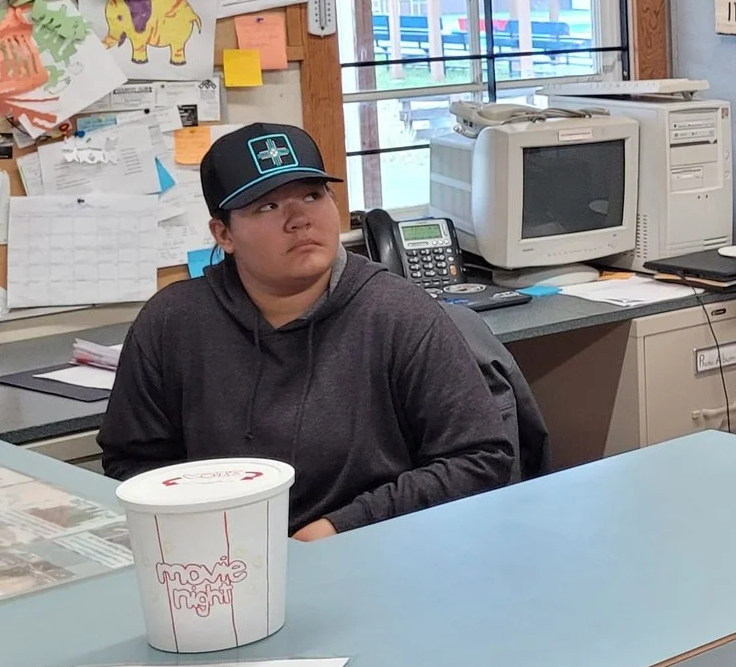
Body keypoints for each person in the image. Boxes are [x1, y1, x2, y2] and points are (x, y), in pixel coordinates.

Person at [99, 124, 517, 540]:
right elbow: (132, 461)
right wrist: (203, 528)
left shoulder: (398, 314)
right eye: (267, 206)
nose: (299, 219)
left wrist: (341, 528)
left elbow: (480, 458)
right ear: (224, 233)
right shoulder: (173, 322)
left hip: (371, 552)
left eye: (313, 195)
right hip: (220, 560)